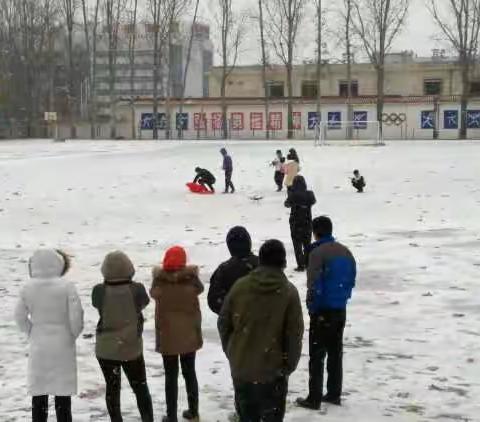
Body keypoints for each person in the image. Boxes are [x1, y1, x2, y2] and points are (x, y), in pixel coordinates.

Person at [218, 239, 304, 422]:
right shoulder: (289, 292)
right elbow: (294, 334)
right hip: (273, 372)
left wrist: (233, 351)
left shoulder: (240, 287)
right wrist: (288, 366)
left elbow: (224, 323)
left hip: (243, 369)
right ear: (283, 262)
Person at [14, 249, 84, 422]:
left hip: (39, 343)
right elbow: (76, 316)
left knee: (39, 393)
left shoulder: (27, 287)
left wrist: (31, 331)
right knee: (62, 394)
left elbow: (19, 316)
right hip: (62, 343)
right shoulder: (66, 286)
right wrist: (72, 334)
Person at [296, 216, 356, 411]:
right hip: (340, 309)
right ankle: (333, 393)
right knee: (335, 352)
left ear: (315, 232)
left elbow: (314, 284)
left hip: (323, 310)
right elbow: (351, 279)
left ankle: (314, 397)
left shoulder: (317, 253)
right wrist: (342, 298)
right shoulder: (345, 251)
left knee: (317, 355)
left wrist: (313, 308)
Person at [92, 251, 154, 422]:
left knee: (112, 389)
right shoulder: (137, 289)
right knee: (140, 387)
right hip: (130, 346)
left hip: (106, 348)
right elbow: (144, 303)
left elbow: (96, 304)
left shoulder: (99, 291)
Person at [150, 246, 204, 422]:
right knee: (190, 373)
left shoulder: (159, 283)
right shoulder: (191, 281)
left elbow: (153, 293)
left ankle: (171, 416)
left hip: (168, 337)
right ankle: (193, 411)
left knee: (170, 377)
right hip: (188, 336)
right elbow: (200, 288)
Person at [208, 226, 259, 315]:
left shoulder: (223, 269)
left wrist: (232, 314)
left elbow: (214, 301)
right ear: (249, 243)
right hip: (267, 322)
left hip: (236, 324)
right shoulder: (264, 264)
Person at [285, 175, 316, 272]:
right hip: (307, 221)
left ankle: (300, 265)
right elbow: (313, 201)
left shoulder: (293, 195)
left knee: (297, 245)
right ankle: (308, 263)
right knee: (307, 244)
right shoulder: (310, 194)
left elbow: (286, 204)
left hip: (295, 222)